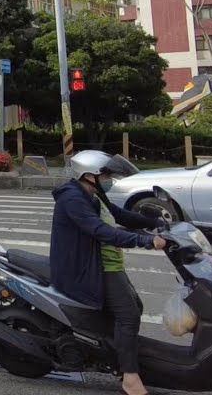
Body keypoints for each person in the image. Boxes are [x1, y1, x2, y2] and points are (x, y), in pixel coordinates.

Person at [51, 151, 167, 395]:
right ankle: (130, 378)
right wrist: (145, 241)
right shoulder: (72, 198)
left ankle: (118, 356)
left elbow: (118, 215)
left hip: (108, 261)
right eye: (106, 174)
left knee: (134, 308)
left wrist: (154, 222)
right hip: (89, 266)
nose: (109, 178)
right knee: (129, 315)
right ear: (89, 175)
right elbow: (100, 230)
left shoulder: (93, 192)